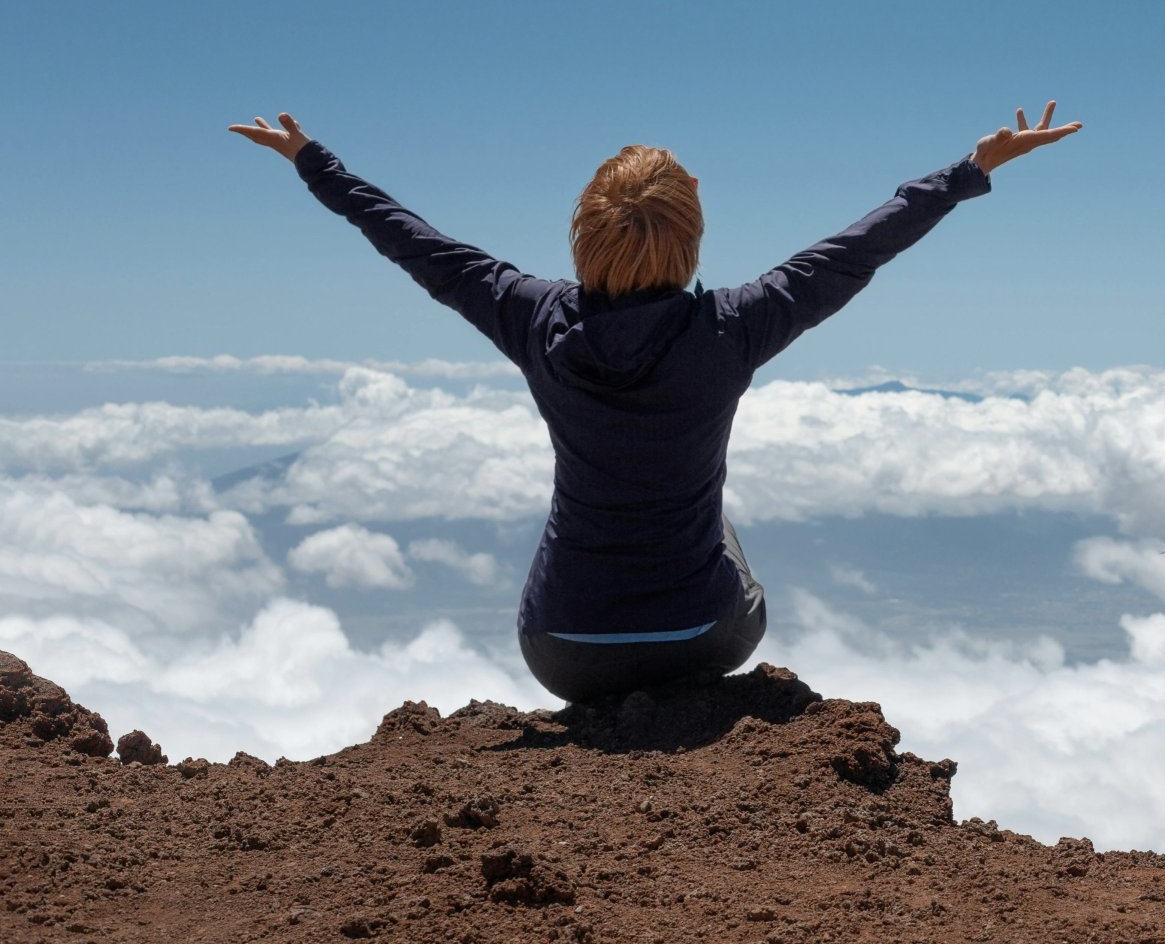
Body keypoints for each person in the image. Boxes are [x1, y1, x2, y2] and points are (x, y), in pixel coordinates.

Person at [230, 104, 1081, 701]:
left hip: (561, 652)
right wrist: (971, 170)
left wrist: (313, 161)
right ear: (691, 236)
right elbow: (859, 249)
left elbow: (414, 242)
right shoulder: (735, 328)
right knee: (716, 518)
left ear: (584, 230)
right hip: (703, 640)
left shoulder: (529, 316)